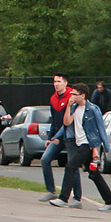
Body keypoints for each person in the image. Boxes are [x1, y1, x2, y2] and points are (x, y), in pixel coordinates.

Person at [51, 86, 111, 211]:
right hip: (79, 144)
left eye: (75, 94)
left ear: (83, 95)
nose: (72, 97)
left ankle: (63, 198)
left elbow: (99, 129)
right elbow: (66, 123)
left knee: (70, 166)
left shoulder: (92, 109)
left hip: (88, 145)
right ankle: (110, 201)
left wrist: (95, 148)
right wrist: (68, 106)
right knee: (94, 174)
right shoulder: (75, 108)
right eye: (71, 94)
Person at [38, 73, 79, 202]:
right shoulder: (53, 99)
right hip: (57, 136)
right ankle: (51, 190)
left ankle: (77, 197)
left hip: (70, 136)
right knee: (45, 159)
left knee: (72, 165)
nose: (56, 84)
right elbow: (55, 120)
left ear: (65, 83)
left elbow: (70, 121)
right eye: (55, 81)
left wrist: (58, 136)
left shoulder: (72, 97)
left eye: (59, 81)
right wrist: (50, 137)